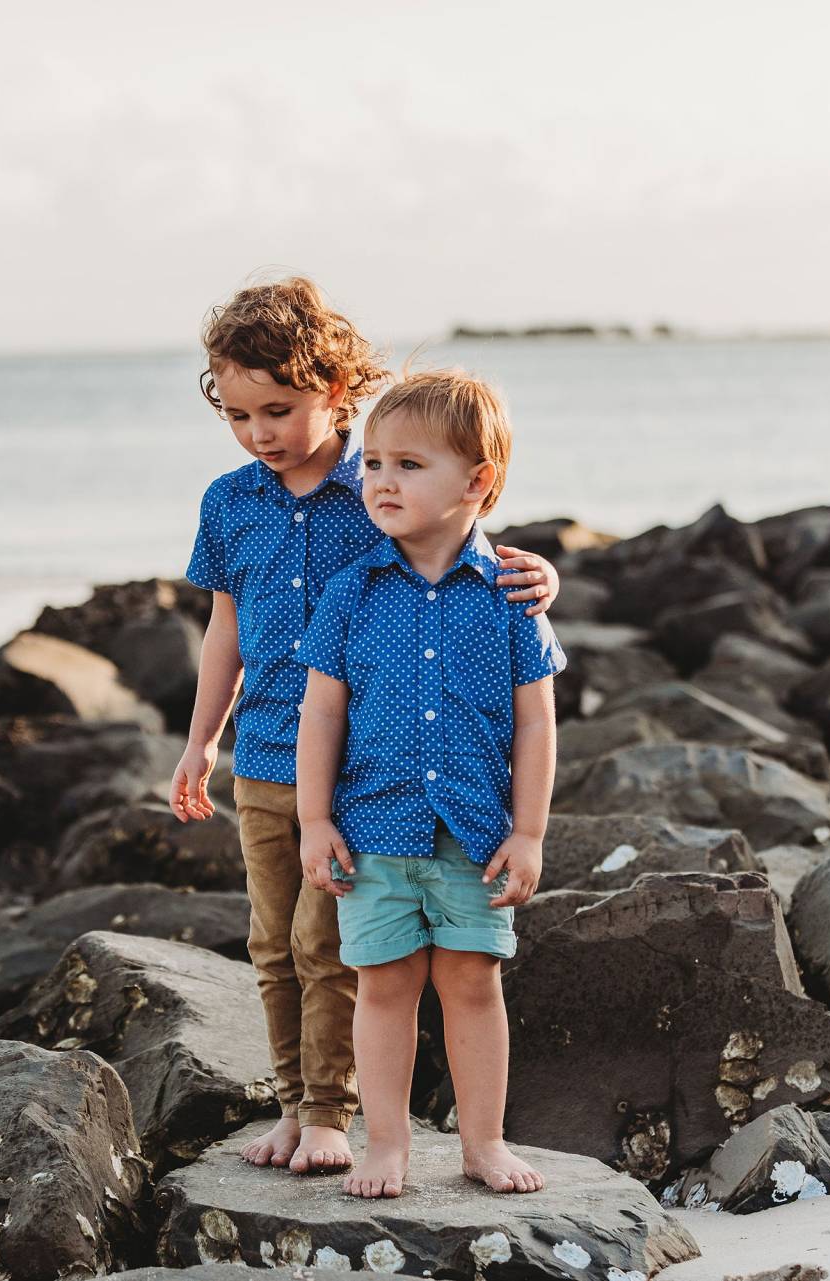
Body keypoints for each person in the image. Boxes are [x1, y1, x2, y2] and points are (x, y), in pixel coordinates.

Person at [171, 279, 561, 1175]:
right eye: (237, 414)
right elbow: (224, 630)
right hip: (264, 759)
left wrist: (543, 577)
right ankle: (292, 1106)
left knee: (331, 948)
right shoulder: (228, 503)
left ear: (335, 391)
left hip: (365, 778)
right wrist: (200, 739)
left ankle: (329, 1114)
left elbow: (458, 551)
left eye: (278, 410)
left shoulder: (376, 486)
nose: (259, 433)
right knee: (273, 945)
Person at [295, 369, 564, 1197]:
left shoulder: (512, 595)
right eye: (374, 463)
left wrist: (529, 832)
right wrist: (313, 820)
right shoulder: (350, 592)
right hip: (373, 830)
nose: (381, 480)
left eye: (409, 465)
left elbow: (536, 724)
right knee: (383, 987)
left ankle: (484, 1142)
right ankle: (387, 1144)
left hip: (475, 835)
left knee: (472, 984)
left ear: (477, 481)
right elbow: (321, 714)